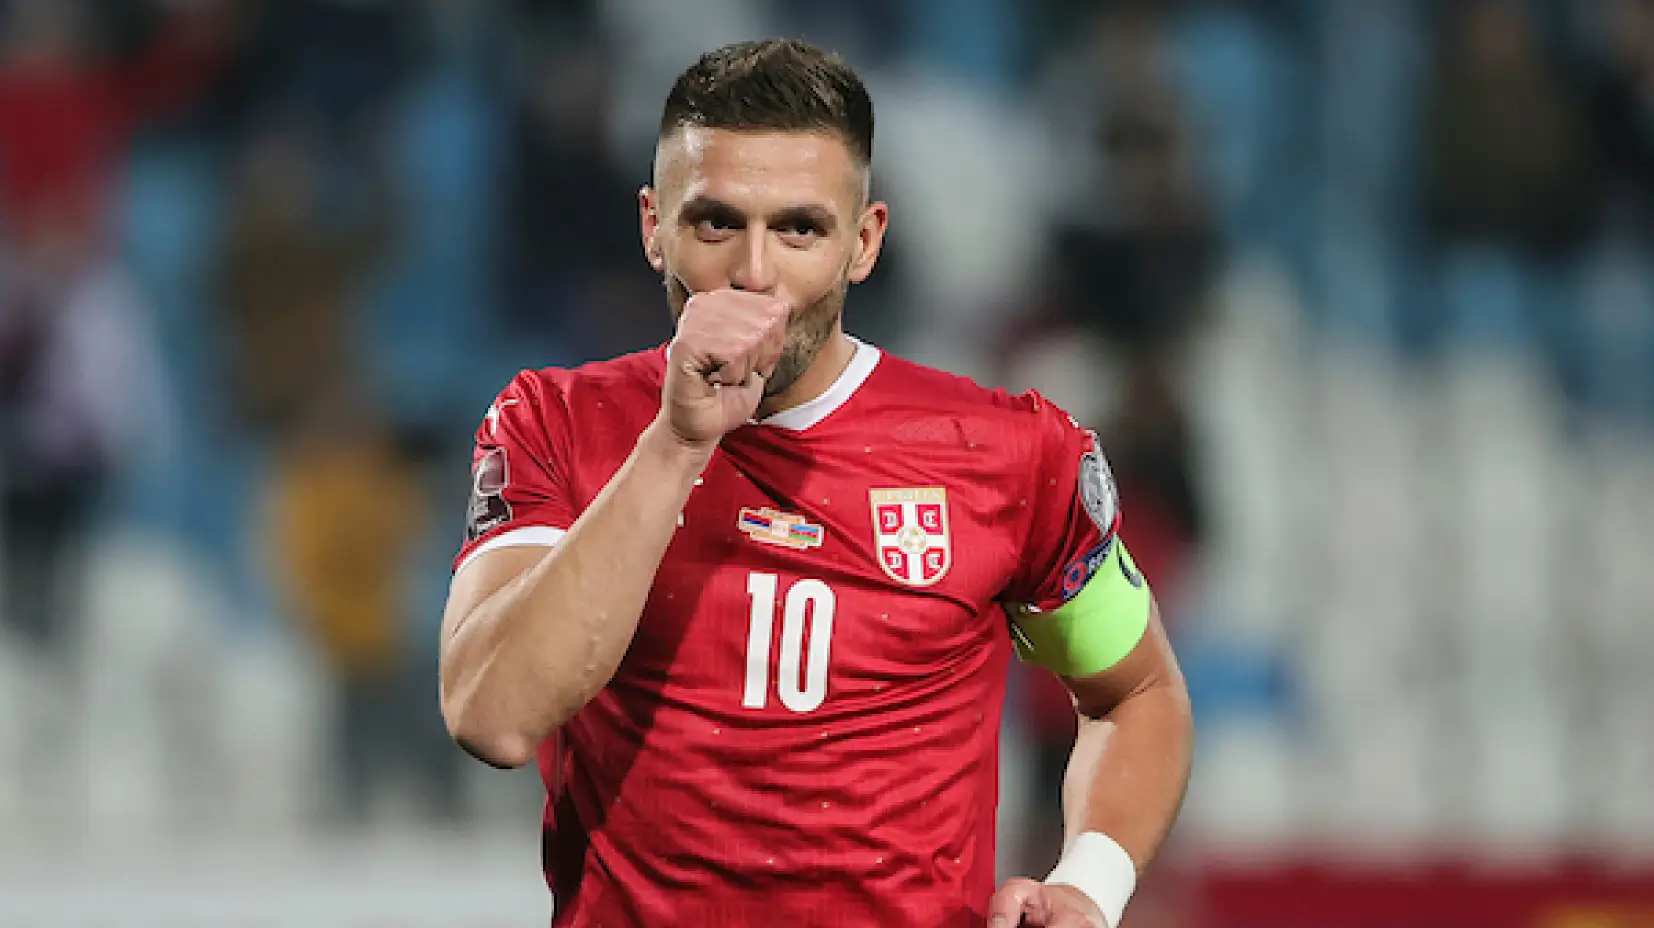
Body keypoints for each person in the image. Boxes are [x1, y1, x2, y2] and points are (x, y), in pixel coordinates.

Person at [439, 38, 1192, 928]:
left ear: (863, 243)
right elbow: (492, 715)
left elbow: (1137, 692)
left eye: (800, 228)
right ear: (653, 228)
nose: (755, 274)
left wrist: (1089, 886)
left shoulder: (1011, 453)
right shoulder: (556, 425)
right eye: (716, 224)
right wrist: (677, 444)